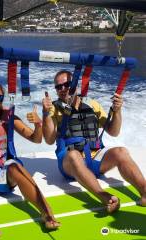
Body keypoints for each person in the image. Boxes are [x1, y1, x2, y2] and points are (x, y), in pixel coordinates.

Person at [42, 70, 146, 213]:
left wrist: (117, 111)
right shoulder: (53, 109)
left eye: (67, 84)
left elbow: (113, 131)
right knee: (74, 155)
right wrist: (46, 114)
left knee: (121, 152)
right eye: (58, 87)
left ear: (76, 86)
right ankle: (104, 196)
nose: (63, 89)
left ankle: (144, 192)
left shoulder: (92, 105)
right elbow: (48, 140)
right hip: (70, 163)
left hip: (95, 157)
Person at [0, 81, 60, 240]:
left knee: (15, 166)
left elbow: (36, 140)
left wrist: (38, 125)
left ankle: (46, 211)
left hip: (5, 176)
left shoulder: (9, 117)